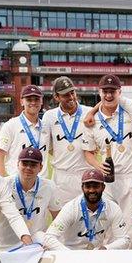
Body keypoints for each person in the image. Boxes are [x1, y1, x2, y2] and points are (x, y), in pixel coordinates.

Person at [82, 74, 132, 248]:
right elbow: (88, 153)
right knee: (106, 226)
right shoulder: (90, 122)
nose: (109, 95)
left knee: (131, 227)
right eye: (105, 91)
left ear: (119, 92)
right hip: (108, 182)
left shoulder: (130, 112)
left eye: (112, 92)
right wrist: (98, 166)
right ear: (100, 92)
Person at [0, 147, 61, 251]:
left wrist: (53, 237)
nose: (28, 168)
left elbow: (58, 217)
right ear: (17, 164)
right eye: (24, 163)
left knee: (49, 242)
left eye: (33, 165)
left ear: (40, 167)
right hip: (5, 245)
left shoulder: (49, 186)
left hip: (36, 242)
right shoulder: (3, 184)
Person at [43, 169, 130, 250]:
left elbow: (125, 240)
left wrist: (106, 248)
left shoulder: (113, 208)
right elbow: (49, 237)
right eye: (88, 186)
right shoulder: (71, 208)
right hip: (72, 254)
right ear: (82, 188)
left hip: (97, 255)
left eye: (95, 186)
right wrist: (68, 254)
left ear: (103, 187)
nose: (91, 190)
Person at [42, 76, 93, 204]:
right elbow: (46, 146)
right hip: (61, 177)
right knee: (61, 220)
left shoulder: (89, 113)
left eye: (72, 92)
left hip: (85, 175)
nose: (71, 97)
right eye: (65, 95)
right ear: (56, 97)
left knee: (86, 219)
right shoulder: (49, 116)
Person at [0, 84, 50, 178]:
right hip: (17, 184)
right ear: (21, 102)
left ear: (41, 102)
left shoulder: (46, 127)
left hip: (41, 185)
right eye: (29, 99)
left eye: (36, 99)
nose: (33, 102)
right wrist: (2, 182)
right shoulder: (11, 125)